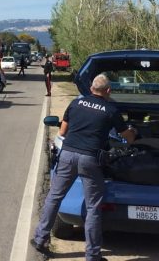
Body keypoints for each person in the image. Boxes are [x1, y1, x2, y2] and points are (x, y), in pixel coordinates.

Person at [31, 74, 137, 261]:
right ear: (108, 91)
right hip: (90, 160)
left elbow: (62, 132)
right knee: (93, 207)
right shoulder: (110, 110)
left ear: (90, 88)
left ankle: (40, 239)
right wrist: (133, 131)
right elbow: (127, 138)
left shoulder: (75, 104)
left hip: (68, 155)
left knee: (54, 197)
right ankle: (92, 255)